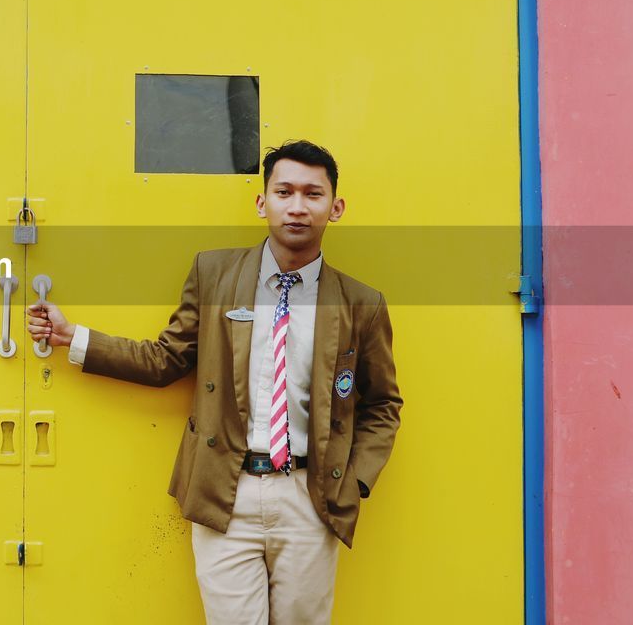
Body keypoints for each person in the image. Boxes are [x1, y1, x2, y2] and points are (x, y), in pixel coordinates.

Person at [25, 140, 402, 625]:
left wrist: (355, 481)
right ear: (262, 202)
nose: (298, 206)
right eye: (284, 191)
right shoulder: (214, 273)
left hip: (311, 499)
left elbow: (383, 403)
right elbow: (165, 360)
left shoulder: (361, 303)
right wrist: (73, 338)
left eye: (313, 194)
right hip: (225, 491)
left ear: (336, 207)